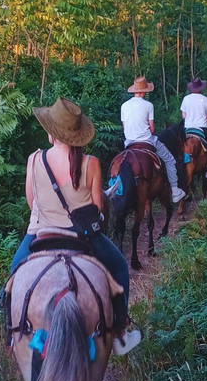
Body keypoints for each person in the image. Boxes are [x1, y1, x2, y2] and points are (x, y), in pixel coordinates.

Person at [9, 97, 140, 355]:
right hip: (83, 237)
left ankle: (14, 331)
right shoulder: (90, 163)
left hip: (40, 233)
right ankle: (119, 333)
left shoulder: (34, 160)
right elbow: (98, 207)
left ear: (51, 132)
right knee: (120, 268)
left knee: (14, 275)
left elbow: (31, 201)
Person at [120, 76, 187, 203]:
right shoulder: (148, 105)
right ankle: (175, 191)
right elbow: (151, 129)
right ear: (144, 91)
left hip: (129, 142)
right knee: (170, 160)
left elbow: (124, 127)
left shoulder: (124, 105)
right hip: (147, 140)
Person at [180, 77, 207, 180]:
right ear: (201, 88)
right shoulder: (205, 99)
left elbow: (183, 116)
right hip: (202, 128)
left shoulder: (186, 99)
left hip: (188, 128)